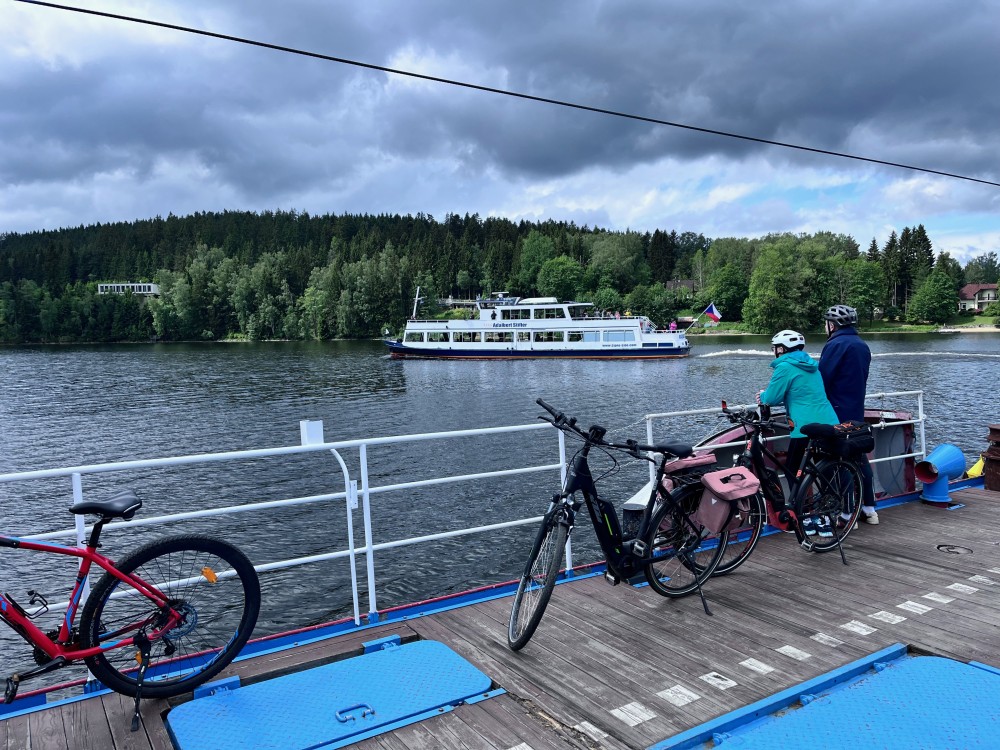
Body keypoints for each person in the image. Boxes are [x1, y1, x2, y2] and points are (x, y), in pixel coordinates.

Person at [758, 329, 840, 537]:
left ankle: (805, 517)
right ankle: (824, 518)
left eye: (776, 348)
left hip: (804, 427)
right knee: (824, 471)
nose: (774, 352)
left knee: (793, 470)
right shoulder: (813, 365)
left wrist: (762, 395)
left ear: (782, 349)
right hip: (828, 423)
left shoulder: (784, 367)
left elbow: (772, 398)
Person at [819, 304, 879, 525]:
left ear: (832, 325)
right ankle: (869, 509)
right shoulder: (862, 345)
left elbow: (822, 379)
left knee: (839, 460)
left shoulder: (836, 344)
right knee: (859, 459)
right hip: (856, 410)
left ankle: (846, 515)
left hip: (836, 412)